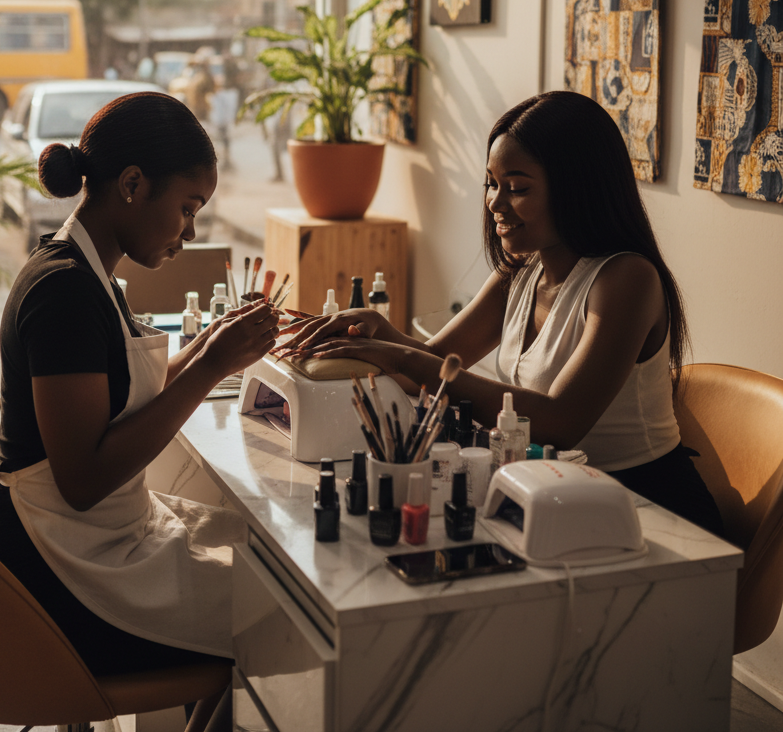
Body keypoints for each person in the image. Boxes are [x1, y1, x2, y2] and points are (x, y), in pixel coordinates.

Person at [278, 91, 724, 535]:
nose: (494, 203)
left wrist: (402, 356)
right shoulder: (522, 272)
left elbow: (559, 423)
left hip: (646, 507)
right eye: (492, 183)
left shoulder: (626, 279)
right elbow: (436, 361)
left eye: (518, 187)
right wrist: (383, 334)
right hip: (555, 491)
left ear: (578, 187)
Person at [0, 91, 277, 730]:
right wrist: (214, 364)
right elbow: (83, 480)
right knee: (278, 616)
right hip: (54, 561)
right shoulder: (64, 293)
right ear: (133, 184)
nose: (190, 231)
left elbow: (122, 395)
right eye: (187, 209)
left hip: (81, 536)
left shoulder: (89, 272)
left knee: (266, 561)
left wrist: (207, 349)